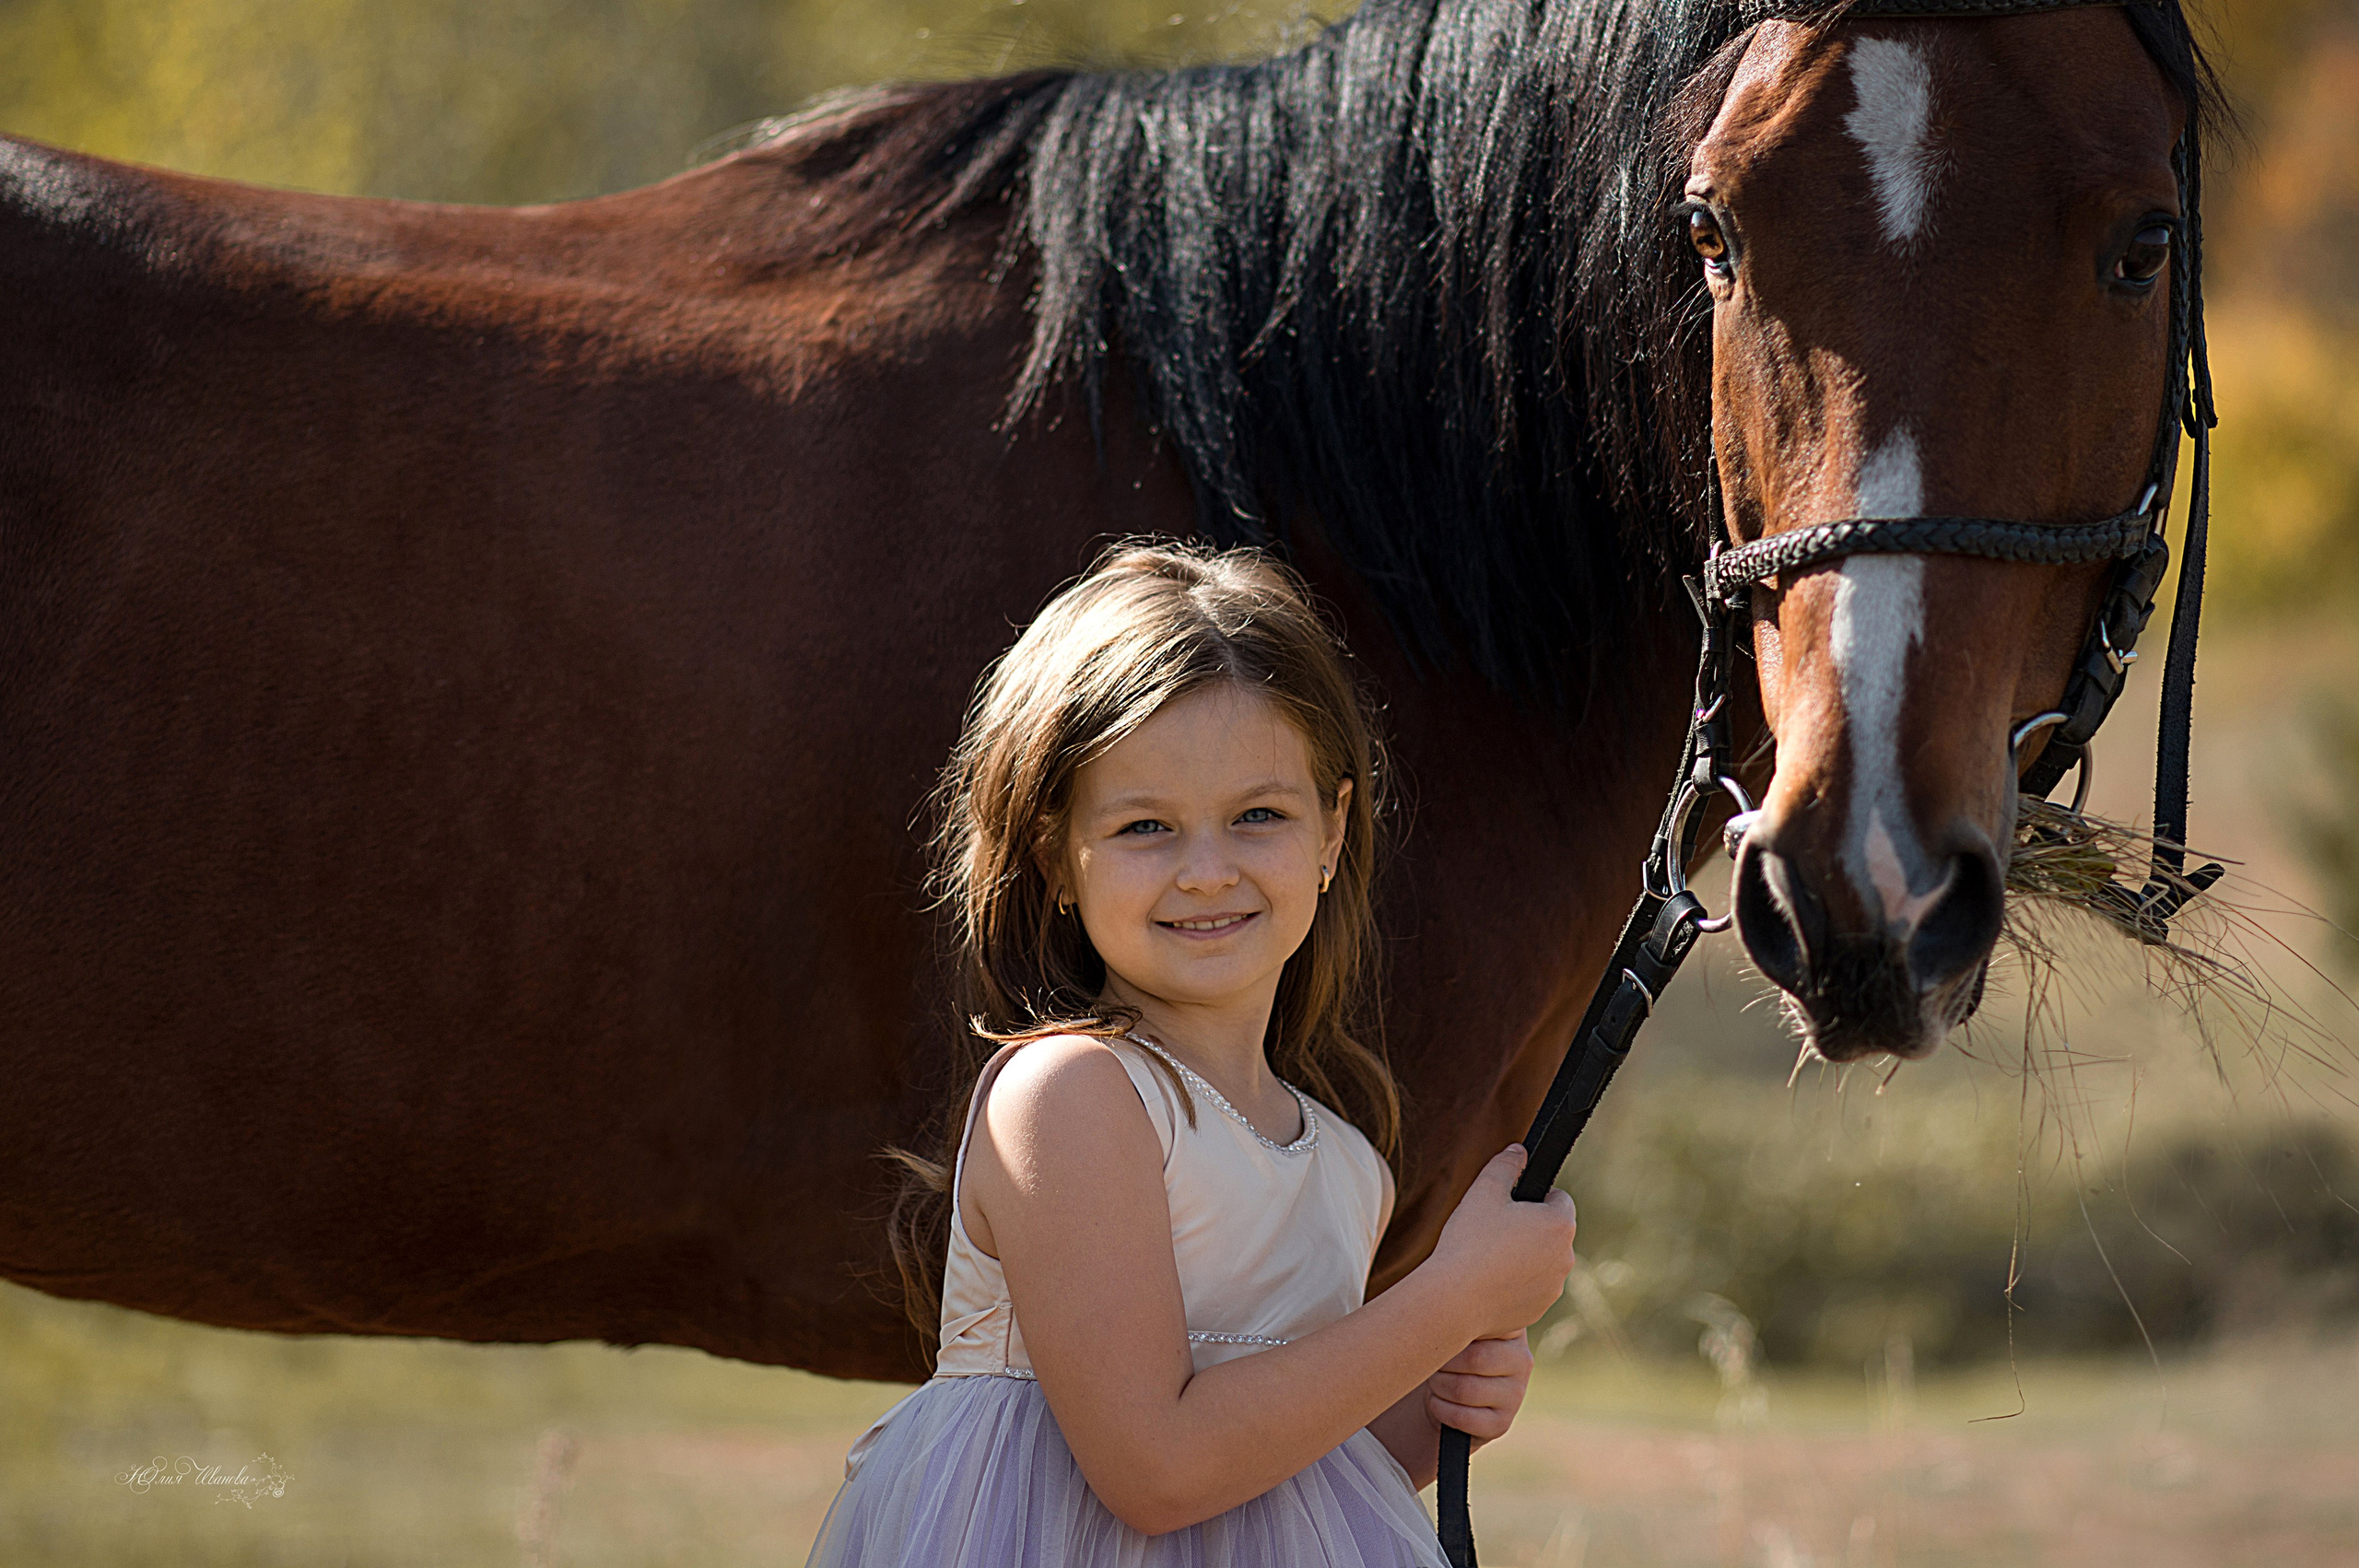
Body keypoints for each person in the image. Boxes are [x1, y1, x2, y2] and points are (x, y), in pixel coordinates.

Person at [805, 541, 1579, 1566]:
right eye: (1144, 827)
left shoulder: (1346, 1161)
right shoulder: (1072, 1096)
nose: (1206, 871)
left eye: (1258, 815)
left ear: (1331, 832)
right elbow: (1158, 1470)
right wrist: (1448, 1299)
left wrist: (1435, 1403)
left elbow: (1299, 1471)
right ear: (1055, 858)